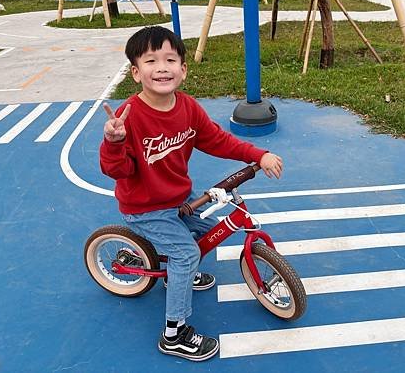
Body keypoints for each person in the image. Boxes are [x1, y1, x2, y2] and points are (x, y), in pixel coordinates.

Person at [99, 26, 283, 362]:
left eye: (171, 59)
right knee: (185, 252)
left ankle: (176, 275)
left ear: (183, 69)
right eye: (151, 61)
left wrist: (257, 155)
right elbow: (117, 171)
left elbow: (217, 139)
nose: (162, 67)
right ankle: (174, 333)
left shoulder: (187, 107)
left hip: (178, 198)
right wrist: (113, 142)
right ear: (136, 73)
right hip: (145, 207)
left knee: (207, 233)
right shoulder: (130, 116)